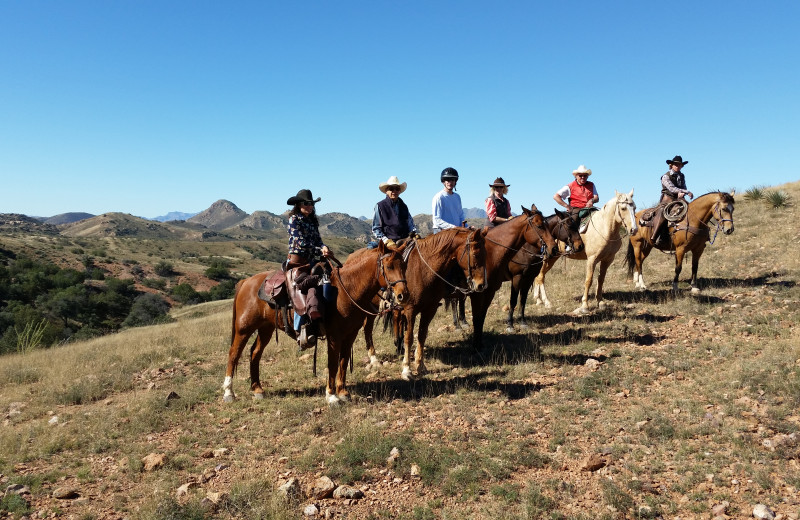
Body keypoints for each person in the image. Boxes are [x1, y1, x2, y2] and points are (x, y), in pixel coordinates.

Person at [285, 189, 332, 350]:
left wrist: (324, 246)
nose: (309, 206)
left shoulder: (312, 221)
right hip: (297, 262)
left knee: (329, 280)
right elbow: (300, 243)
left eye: (311, 204)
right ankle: (300, 330)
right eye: (306, 203)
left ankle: (325, 320)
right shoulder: (294, 220)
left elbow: (318, 240)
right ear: (298, 205)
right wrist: (320, 250)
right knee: (302, 289)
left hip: (313, 260)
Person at [645, 155, 694, 244]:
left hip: (679, 199)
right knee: (662, 212)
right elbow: (671, 188)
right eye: (676, 164)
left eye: (680, 165)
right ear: (671, 165)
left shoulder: (682, 176)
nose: (678, 166)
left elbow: (683, 186)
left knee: (692, 209)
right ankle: (655, 236)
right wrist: (686, 191)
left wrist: (683, 193)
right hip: (667, 200)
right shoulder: (665, 176)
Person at [372, 175, 418, 248]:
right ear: (386, 191)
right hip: (389, 242)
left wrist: (413, 233)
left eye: (397, 189)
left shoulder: (404, 206)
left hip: (405, 241)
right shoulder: (380, 206)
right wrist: (386, 240)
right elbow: (376, 228)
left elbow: (410, 223)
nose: (394, 191)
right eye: (391, 189)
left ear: (399, 191)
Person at [553, 165, 599, 233]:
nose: (583, 177)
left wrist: (592, 200)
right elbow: (556, 196)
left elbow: (596, 198)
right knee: (572, 224)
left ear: (587, 176)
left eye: (585, 175)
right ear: (576, 176)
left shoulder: (591, 185)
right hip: (576, 209)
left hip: (590, 208)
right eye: (580, 176)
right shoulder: (570, 186)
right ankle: (572, 241)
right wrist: (567, 206)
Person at [432, 167, 472, 233]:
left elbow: (460, 216)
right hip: (441, 232)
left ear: (455, 181)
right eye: (448, 180)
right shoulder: (439, 197)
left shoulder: (457, 197)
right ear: (443, 181)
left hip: (455, 232)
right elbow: (437, 220)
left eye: (452, 180)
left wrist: (466, 227)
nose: (450, 182)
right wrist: (454, 227)